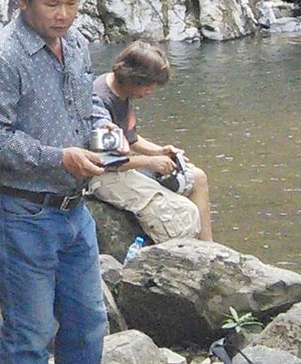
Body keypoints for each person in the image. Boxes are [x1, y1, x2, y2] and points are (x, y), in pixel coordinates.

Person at [0, 0, 112, 364]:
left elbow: (84, 102)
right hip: (19, 215)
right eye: (52, 4)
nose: (64, 14)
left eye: (72, 3)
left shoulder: (78, 44)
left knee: (88, 322)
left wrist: (102, 128)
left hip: (74, 212)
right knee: (28, 335)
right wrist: (59, 158)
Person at [90, 40, 213, 242]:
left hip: (122, 165)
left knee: (197, 177)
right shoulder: (99, 100)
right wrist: (149, 162)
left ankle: (209, 250)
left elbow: (131, 139)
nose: (150, 91)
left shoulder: (122, 90)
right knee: (185, 212)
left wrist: (159, 152)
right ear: (131, 77)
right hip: (102, 176)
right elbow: (105, 162)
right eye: (147, 85)